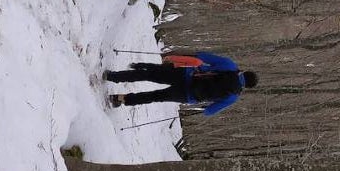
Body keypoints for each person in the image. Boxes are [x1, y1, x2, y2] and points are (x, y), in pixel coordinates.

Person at [105, 51, 258, 115]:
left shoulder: (230, 65)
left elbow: (202, 56)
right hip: (188, 95)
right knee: (155, 96)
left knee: (150, 75)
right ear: (246, 87)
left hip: (186, 74)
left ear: (244, 72)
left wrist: (184, 57)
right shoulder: (233, 97)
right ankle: (120, 98)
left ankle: (113, 76)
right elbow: (209, 111)